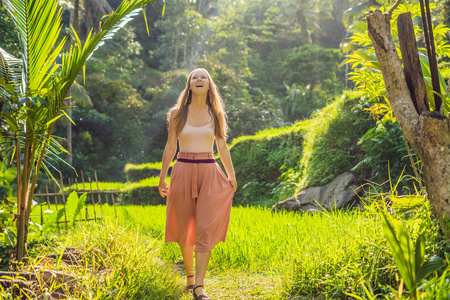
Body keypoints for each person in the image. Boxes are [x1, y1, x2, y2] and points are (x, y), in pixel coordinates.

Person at [158, 68, 237, 300]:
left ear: (209, 84)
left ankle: (199, 287)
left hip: (209, 171)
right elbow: (170, 147)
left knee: (204, 226)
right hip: (181, 169)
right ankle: (190, 276)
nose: (199, 79)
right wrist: (162, 177)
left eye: (204, 77)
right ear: (189, 85)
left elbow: (222, 146)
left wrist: (231, 175)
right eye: (195, 77)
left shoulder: (216, 113)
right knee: (186, 228)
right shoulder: (176, 113)